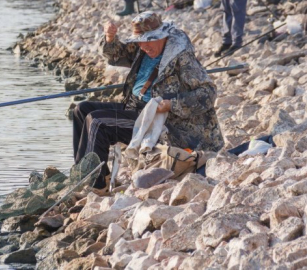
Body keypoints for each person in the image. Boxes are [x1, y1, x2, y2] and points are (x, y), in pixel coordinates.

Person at [72, 12, 223, 189]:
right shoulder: (144, 49)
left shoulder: (182, 57)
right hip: (135, 108)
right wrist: (110, 37)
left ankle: (94, 187)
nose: (144, 46)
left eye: (149, 41)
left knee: (98, 122)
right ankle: (87, 175)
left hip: (161, 123)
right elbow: (115, 54)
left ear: (162, 36)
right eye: (140, 42)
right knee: (81, 110)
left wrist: (172, 105)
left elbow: (208, 92)